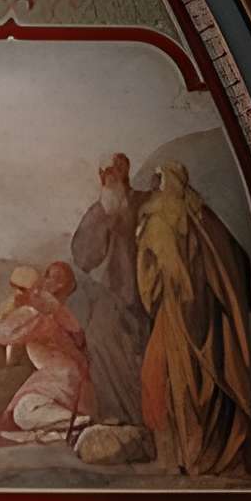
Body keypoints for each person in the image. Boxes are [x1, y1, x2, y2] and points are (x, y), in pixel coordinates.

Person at [134, 162, 251, 479]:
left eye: (159, 181)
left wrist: (156, 282)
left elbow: (155, 275)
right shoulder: (203, 216)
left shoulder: (160, 221)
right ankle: (198, 456)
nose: (155, 188)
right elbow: (235, 263)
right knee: (194, 383)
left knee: (180, 384)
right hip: (207, 318)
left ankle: (193, 457)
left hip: (180, 316)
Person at [0, 261, 93, 444]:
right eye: (47, 273)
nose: (45, 279)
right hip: (65, 377)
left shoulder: (40, 313)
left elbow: (3, 333)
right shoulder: (59, 311)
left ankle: (79, 424)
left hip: (62, 378)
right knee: (23, 408)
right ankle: (62, 431)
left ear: (61, 287)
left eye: (53, 277)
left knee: (23, 412)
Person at [68, 152, 152, 426]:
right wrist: (103, 217)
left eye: (116, 169)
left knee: (148, 352)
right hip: (111, 294)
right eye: (105, 172)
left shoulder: (145, 203)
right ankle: (116, 416)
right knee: (100, 339)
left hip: (147, 293)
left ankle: (147, 419)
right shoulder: (99, 210)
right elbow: (83, 257)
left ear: (126, 170)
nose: (111, 175)